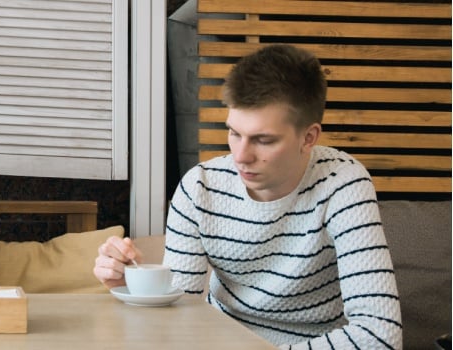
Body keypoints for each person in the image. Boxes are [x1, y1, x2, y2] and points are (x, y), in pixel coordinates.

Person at [94, 45, 402, 349]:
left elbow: (379, 335)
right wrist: (130, 286)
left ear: (308, 138)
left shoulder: (343, 182)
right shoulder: (200, 187)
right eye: (234, 133)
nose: (241, 156)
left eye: (263, 140)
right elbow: (179, 312)